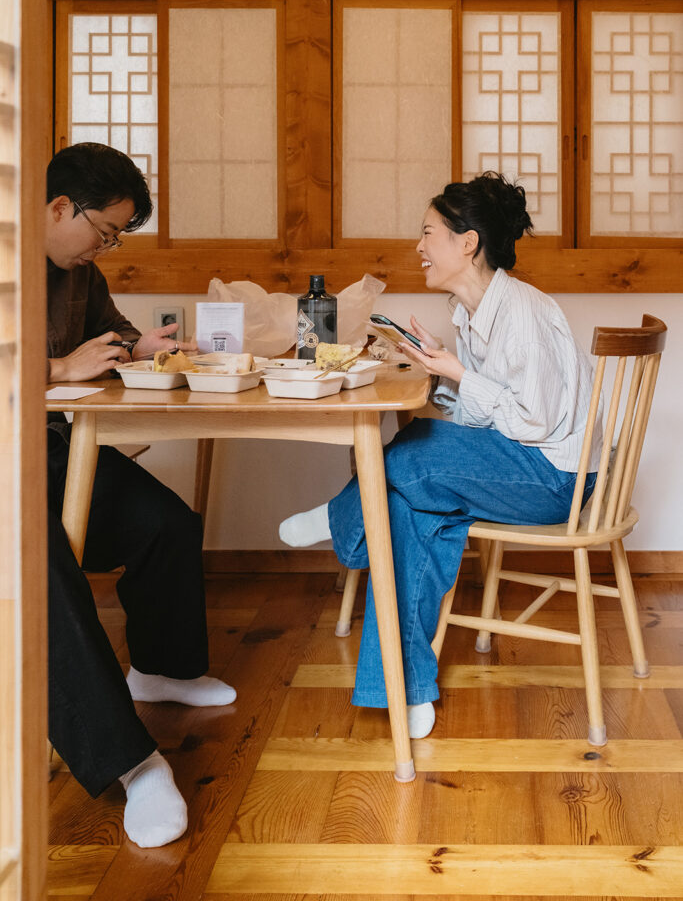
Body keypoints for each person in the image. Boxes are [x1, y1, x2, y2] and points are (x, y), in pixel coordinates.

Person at [279, 172, 601, 740]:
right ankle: (409, 689)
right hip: (518, 465)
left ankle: (339, 521)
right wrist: (444, 371)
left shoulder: (522, 314)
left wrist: (459, 375)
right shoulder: (471, 311)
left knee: (415, 451)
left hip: (557, 479)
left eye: (429, 233)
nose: (419, 247)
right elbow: (485, 416)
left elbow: (535, 422)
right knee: (409, 510)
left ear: (468, 242)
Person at [47, 142, 236, 849]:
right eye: (104, 232)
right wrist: (58, 368)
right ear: (59, 207)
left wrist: (138, 346)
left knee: (164, 522)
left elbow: (111, 334)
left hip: (51, 451)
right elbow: (59, 363)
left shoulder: (79, 272)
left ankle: (161, 670)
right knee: (41, 571)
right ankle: (133, 763)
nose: (105, 248)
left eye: (116, 238)